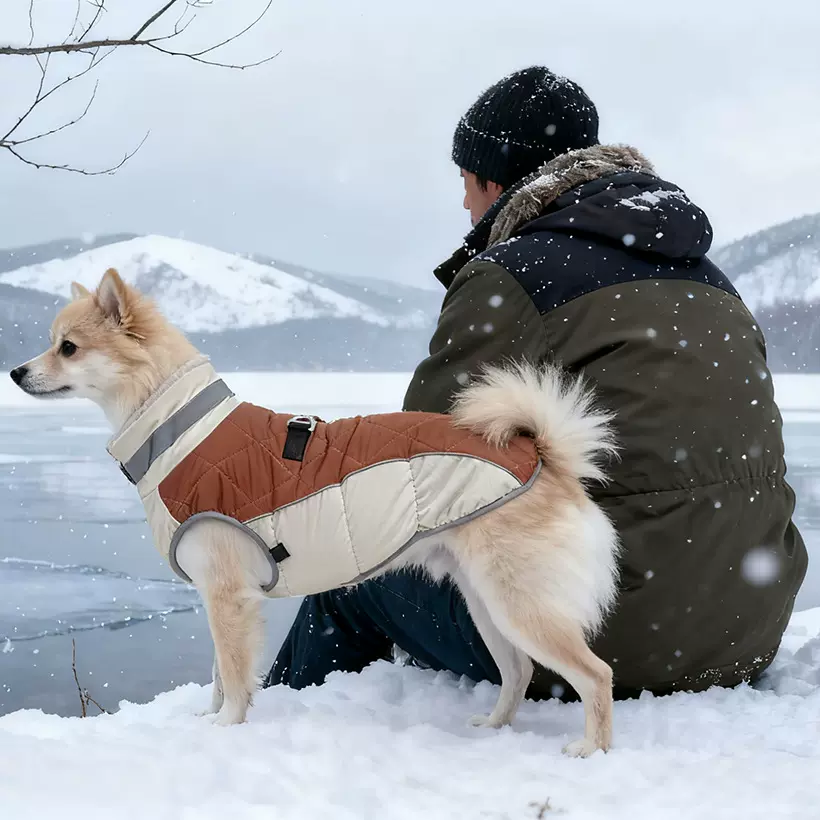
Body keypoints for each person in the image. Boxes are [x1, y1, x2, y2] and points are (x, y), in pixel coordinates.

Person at [265, 67, 807, 700]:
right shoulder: (712, 279)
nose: (466, 205)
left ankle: (270, 737)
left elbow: (422, 459)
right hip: (748, 623)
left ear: (495, 181)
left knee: (350, 583)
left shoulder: (514, 275)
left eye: (466, 184)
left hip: (612, 632)